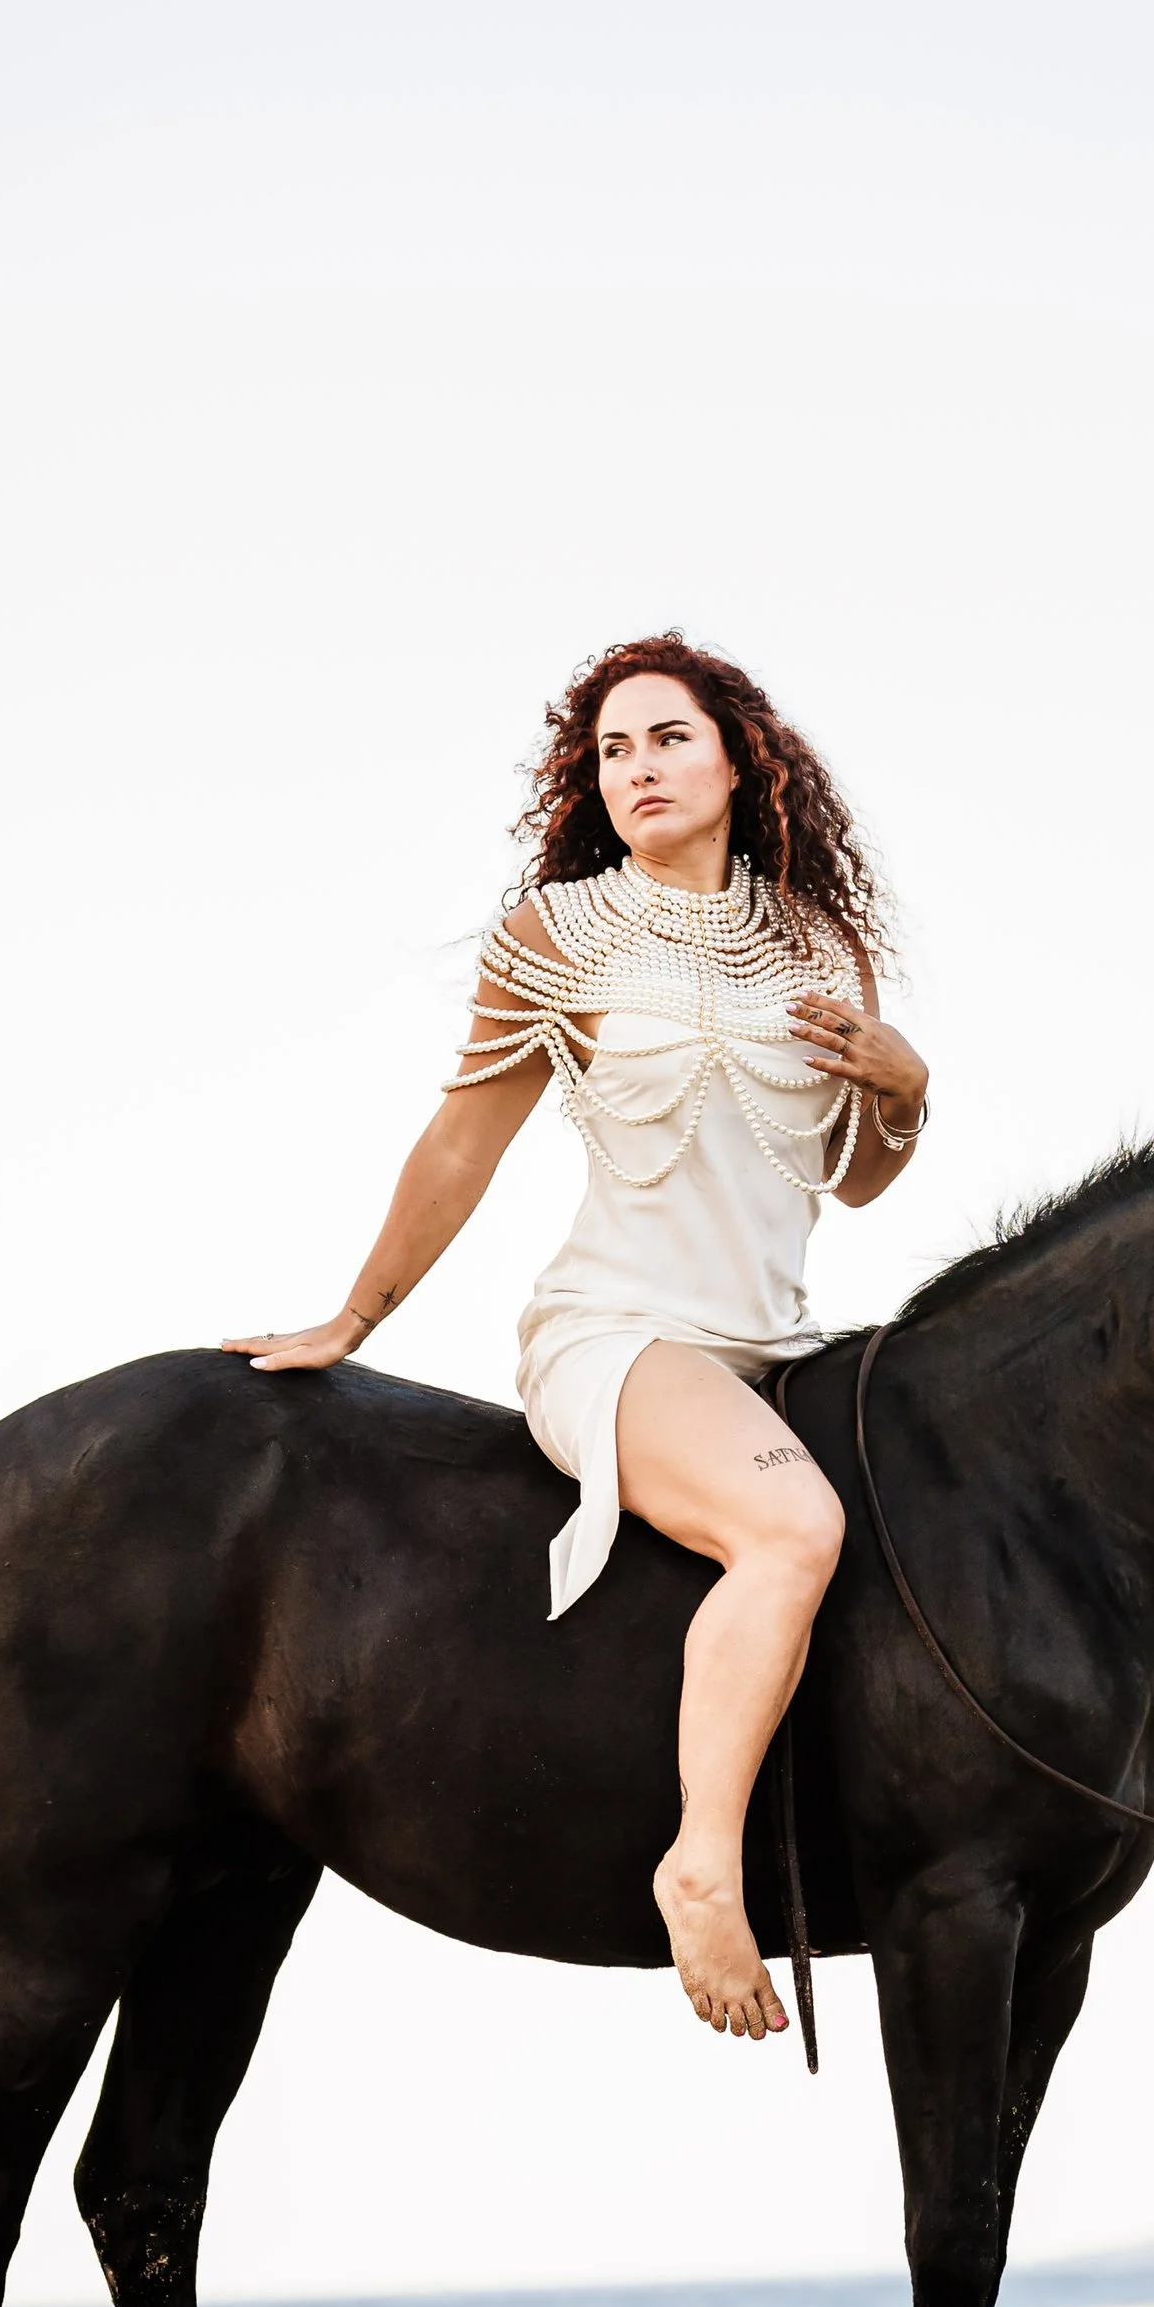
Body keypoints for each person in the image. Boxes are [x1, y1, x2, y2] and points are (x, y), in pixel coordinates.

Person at [227, 633, 929, 2042]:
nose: (638, 769)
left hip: (772, 1349)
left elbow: (852, 1179)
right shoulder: (559, 936)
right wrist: (355, 1316)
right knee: (794, 1532)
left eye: (668, 739)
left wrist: (906, 1089)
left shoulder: (814, 946)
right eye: (613, 750)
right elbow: (462, 1142)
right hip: (618, 1334)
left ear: (740, 760)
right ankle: (701, 1868)